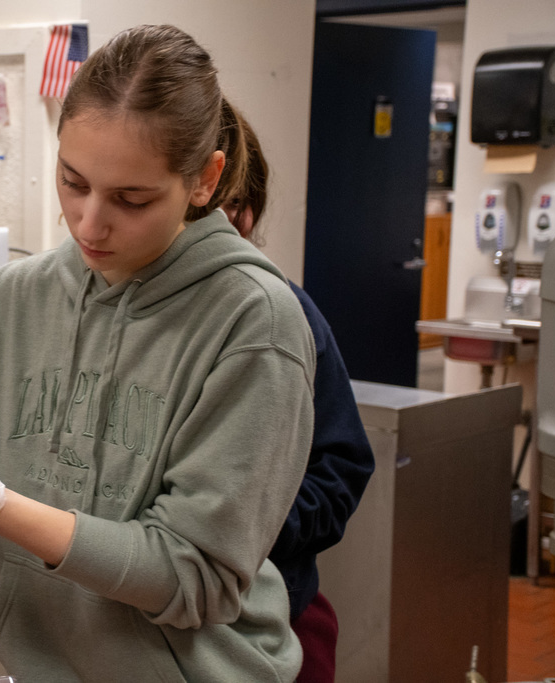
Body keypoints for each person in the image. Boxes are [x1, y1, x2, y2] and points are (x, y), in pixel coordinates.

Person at [0, 25, 316, 681]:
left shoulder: (254, 320)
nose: (89, 222)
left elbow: (195, 577)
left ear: (205, 179)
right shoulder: (16, 298)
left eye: (132, 198)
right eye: (73, 181)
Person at [223, 112, 375, 683]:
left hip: (271, 620)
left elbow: (343, 467)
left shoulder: (285, 315)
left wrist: (244, 529)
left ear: (245, 215)